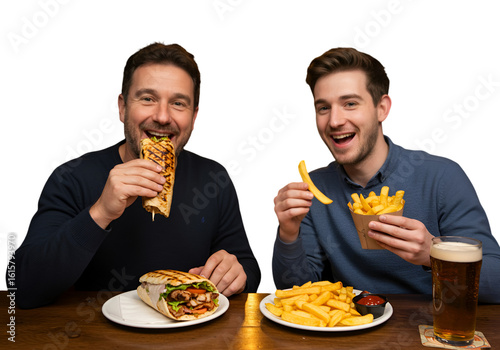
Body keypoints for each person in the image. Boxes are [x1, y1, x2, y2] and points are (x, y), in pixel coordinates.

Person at [10, 42, 260, 309]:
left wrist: (237, 274)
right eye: (148, 99)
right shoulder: (72, 178)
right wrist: (101, 212)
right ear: (122, 107)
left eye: (178, 103)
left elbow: (248, 271)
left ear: (194, 116)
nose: (163, 116)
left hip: (190, 335)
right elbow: (22, 289)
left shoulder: (214, 179)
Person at [272, 47, 500, 303]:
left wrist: (433, 254)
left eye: (350, 103)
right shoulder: (314, 189)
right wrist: (288, 234)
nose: (334, 121)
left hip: (431, 332)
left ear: (382, 108)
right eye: (323, 108)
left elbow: (496, 283)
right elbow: (298, 293)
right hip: (352, 335)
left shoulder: (443, 178)